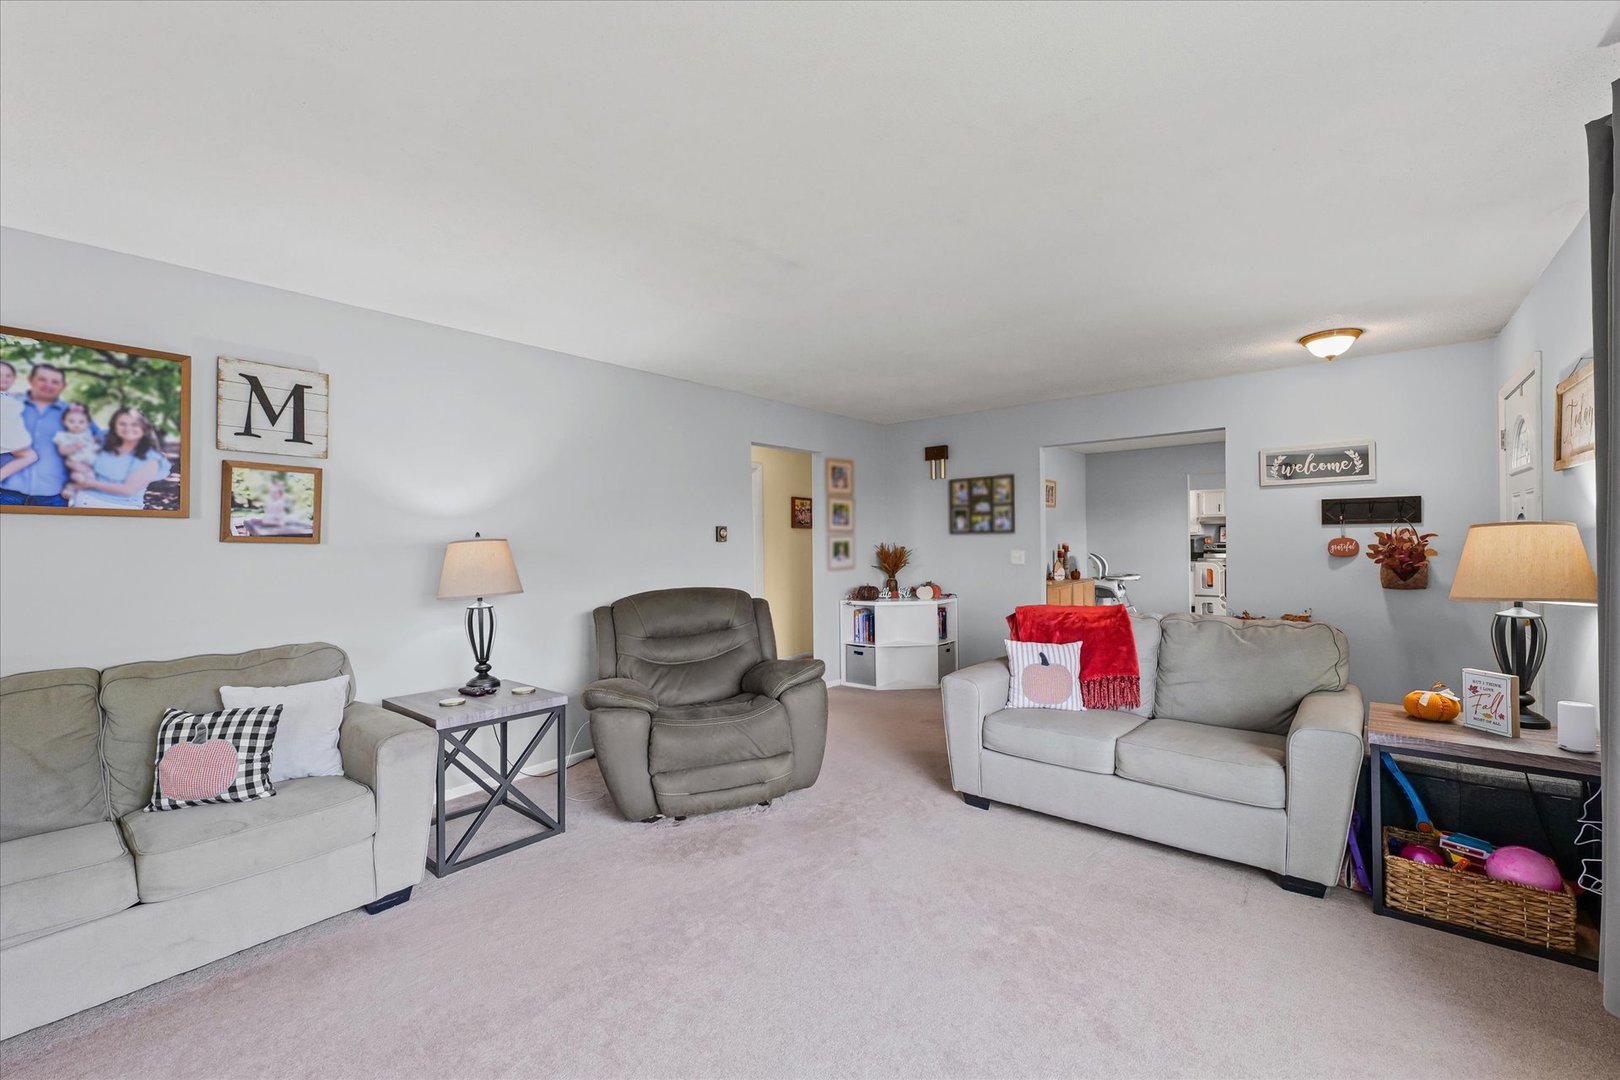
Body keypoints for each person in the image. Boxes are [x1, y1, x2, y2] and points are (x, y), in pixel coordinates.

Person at [0, 362, 95, 506]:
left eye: (55, 381)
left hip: (53, 495)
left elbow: (92, 446)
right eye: (42, 379)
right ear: (31, 379)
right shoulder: (10, 404)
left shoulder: (74, 415)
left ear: (63, 385)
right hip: (8, 492)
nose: (48, 385)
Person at [68, 407, 172, 511]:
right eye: (122, 424)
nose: (128, 428)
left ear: (144, 427)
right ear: (114, 426)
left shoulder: (151, 457)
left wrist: (89, 483)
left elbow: (128, 489)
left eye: (134, 424)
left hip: (123, 508)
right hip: (85, 501)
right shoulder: (104, 440)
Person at [0, 360, 38, 486]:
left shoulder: (6, 396)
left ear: (14, 378)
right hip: (7, 438)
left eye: (8, 375)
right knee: (30, 456)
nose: (4, 378)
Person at [52, 404, 100, 500]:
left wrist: (95, 445)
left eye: (81, 422)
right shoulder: (64, 436)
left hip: (91, 467)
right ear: (64, 422)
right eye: (71, 421)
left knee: (93, 483)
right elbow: (62, 451)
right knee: (82, 479)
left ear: (88, 423)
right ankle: (70, 487)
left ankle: (73, 489)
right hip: (76, 466)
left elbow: (92, 446)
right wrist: (74, 447)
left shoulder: (87, 434)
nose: (76, 425)